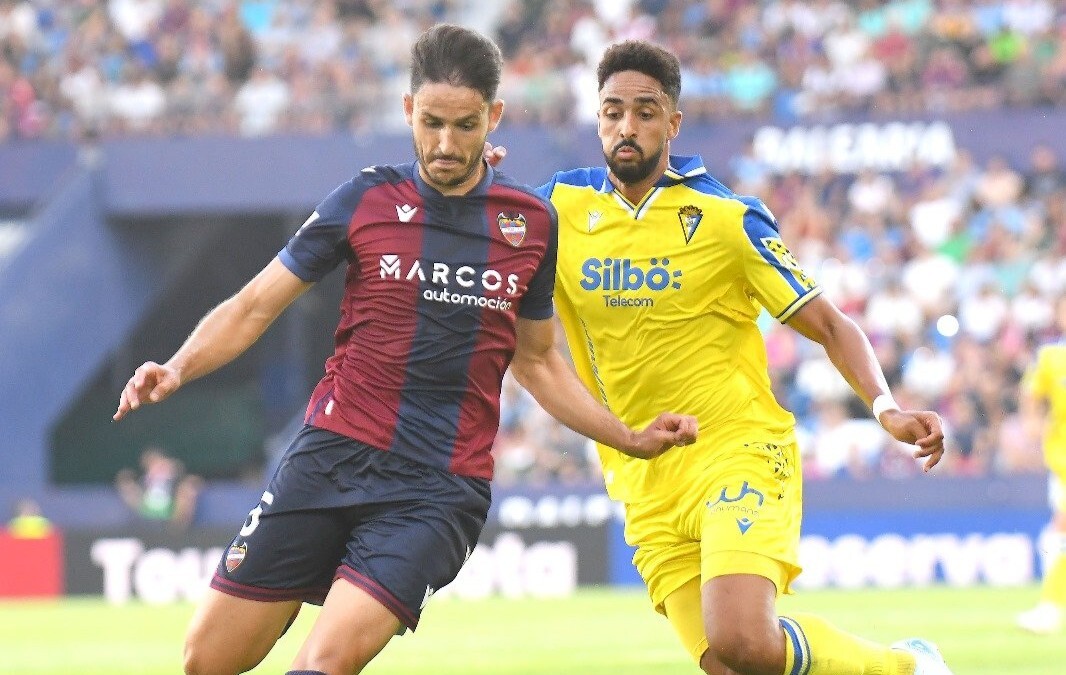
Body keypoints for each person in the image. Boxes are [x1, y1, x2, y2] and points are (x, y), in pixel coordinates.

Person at [112, 25, 696, 675]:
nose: (446, 144)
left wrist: (626, 436)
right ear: (408, 111)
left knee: (322, 663)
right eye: (433, 122)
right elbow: (255, 303)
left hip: (435, 490)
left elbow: (537, 360)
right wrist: (178, 366)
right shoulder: (365, 200)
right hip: (328, 457)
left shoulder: (528, 224)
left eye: (466, 126)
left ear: (493, 117)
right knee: (205, 659)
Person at [531, 40, 950, 675]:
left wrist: (885, 408)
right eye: (613, 110)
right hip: (643, 474)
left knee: (743, 638)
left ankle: (909, 667)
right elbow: (482, 220)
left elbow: (832, 325)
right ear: (597, 117)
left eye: (646, 112)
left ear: (673, 123)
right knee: (732, 665)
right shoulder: (555, 210)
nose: (627, 126)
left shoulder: (726, 219)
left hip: (738, 449)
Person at [1016, 294, 1066, 635]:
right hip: (1060, 456)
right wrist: (1032, 422)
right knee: (1059, 528)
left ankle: (1051, 606)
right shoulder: (1052, 356)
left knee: (1060, 528)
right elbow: (1031, 395)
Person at [114, 446, 203, 529]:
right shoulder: (143, 483)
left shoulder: (177, 482)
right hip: (146, 517)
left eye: (159, 464)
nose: (156, 469)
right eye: (151, 465)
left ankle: (175, 531)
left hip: (171, 520)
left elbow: (194, 483)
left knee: (186, 492)